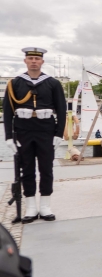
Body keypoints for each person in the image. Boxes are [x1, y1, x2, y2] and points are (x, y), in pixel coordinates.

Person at [3, 48, 66, 223]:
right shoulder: (15, 83)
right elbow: (8, 112)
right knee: (26, 168)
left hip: (46, 130)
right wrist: (8, 136)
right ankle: (31, 206)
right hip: (23, 130)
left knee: (46, 169)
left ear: (42, 62)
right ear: (25, 61)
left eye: (36, 59)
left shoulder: (53, 83)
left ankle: (45, 206)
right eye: (30, 58)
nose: (33, 61)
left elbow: (61, 110)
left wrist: (59, 133)